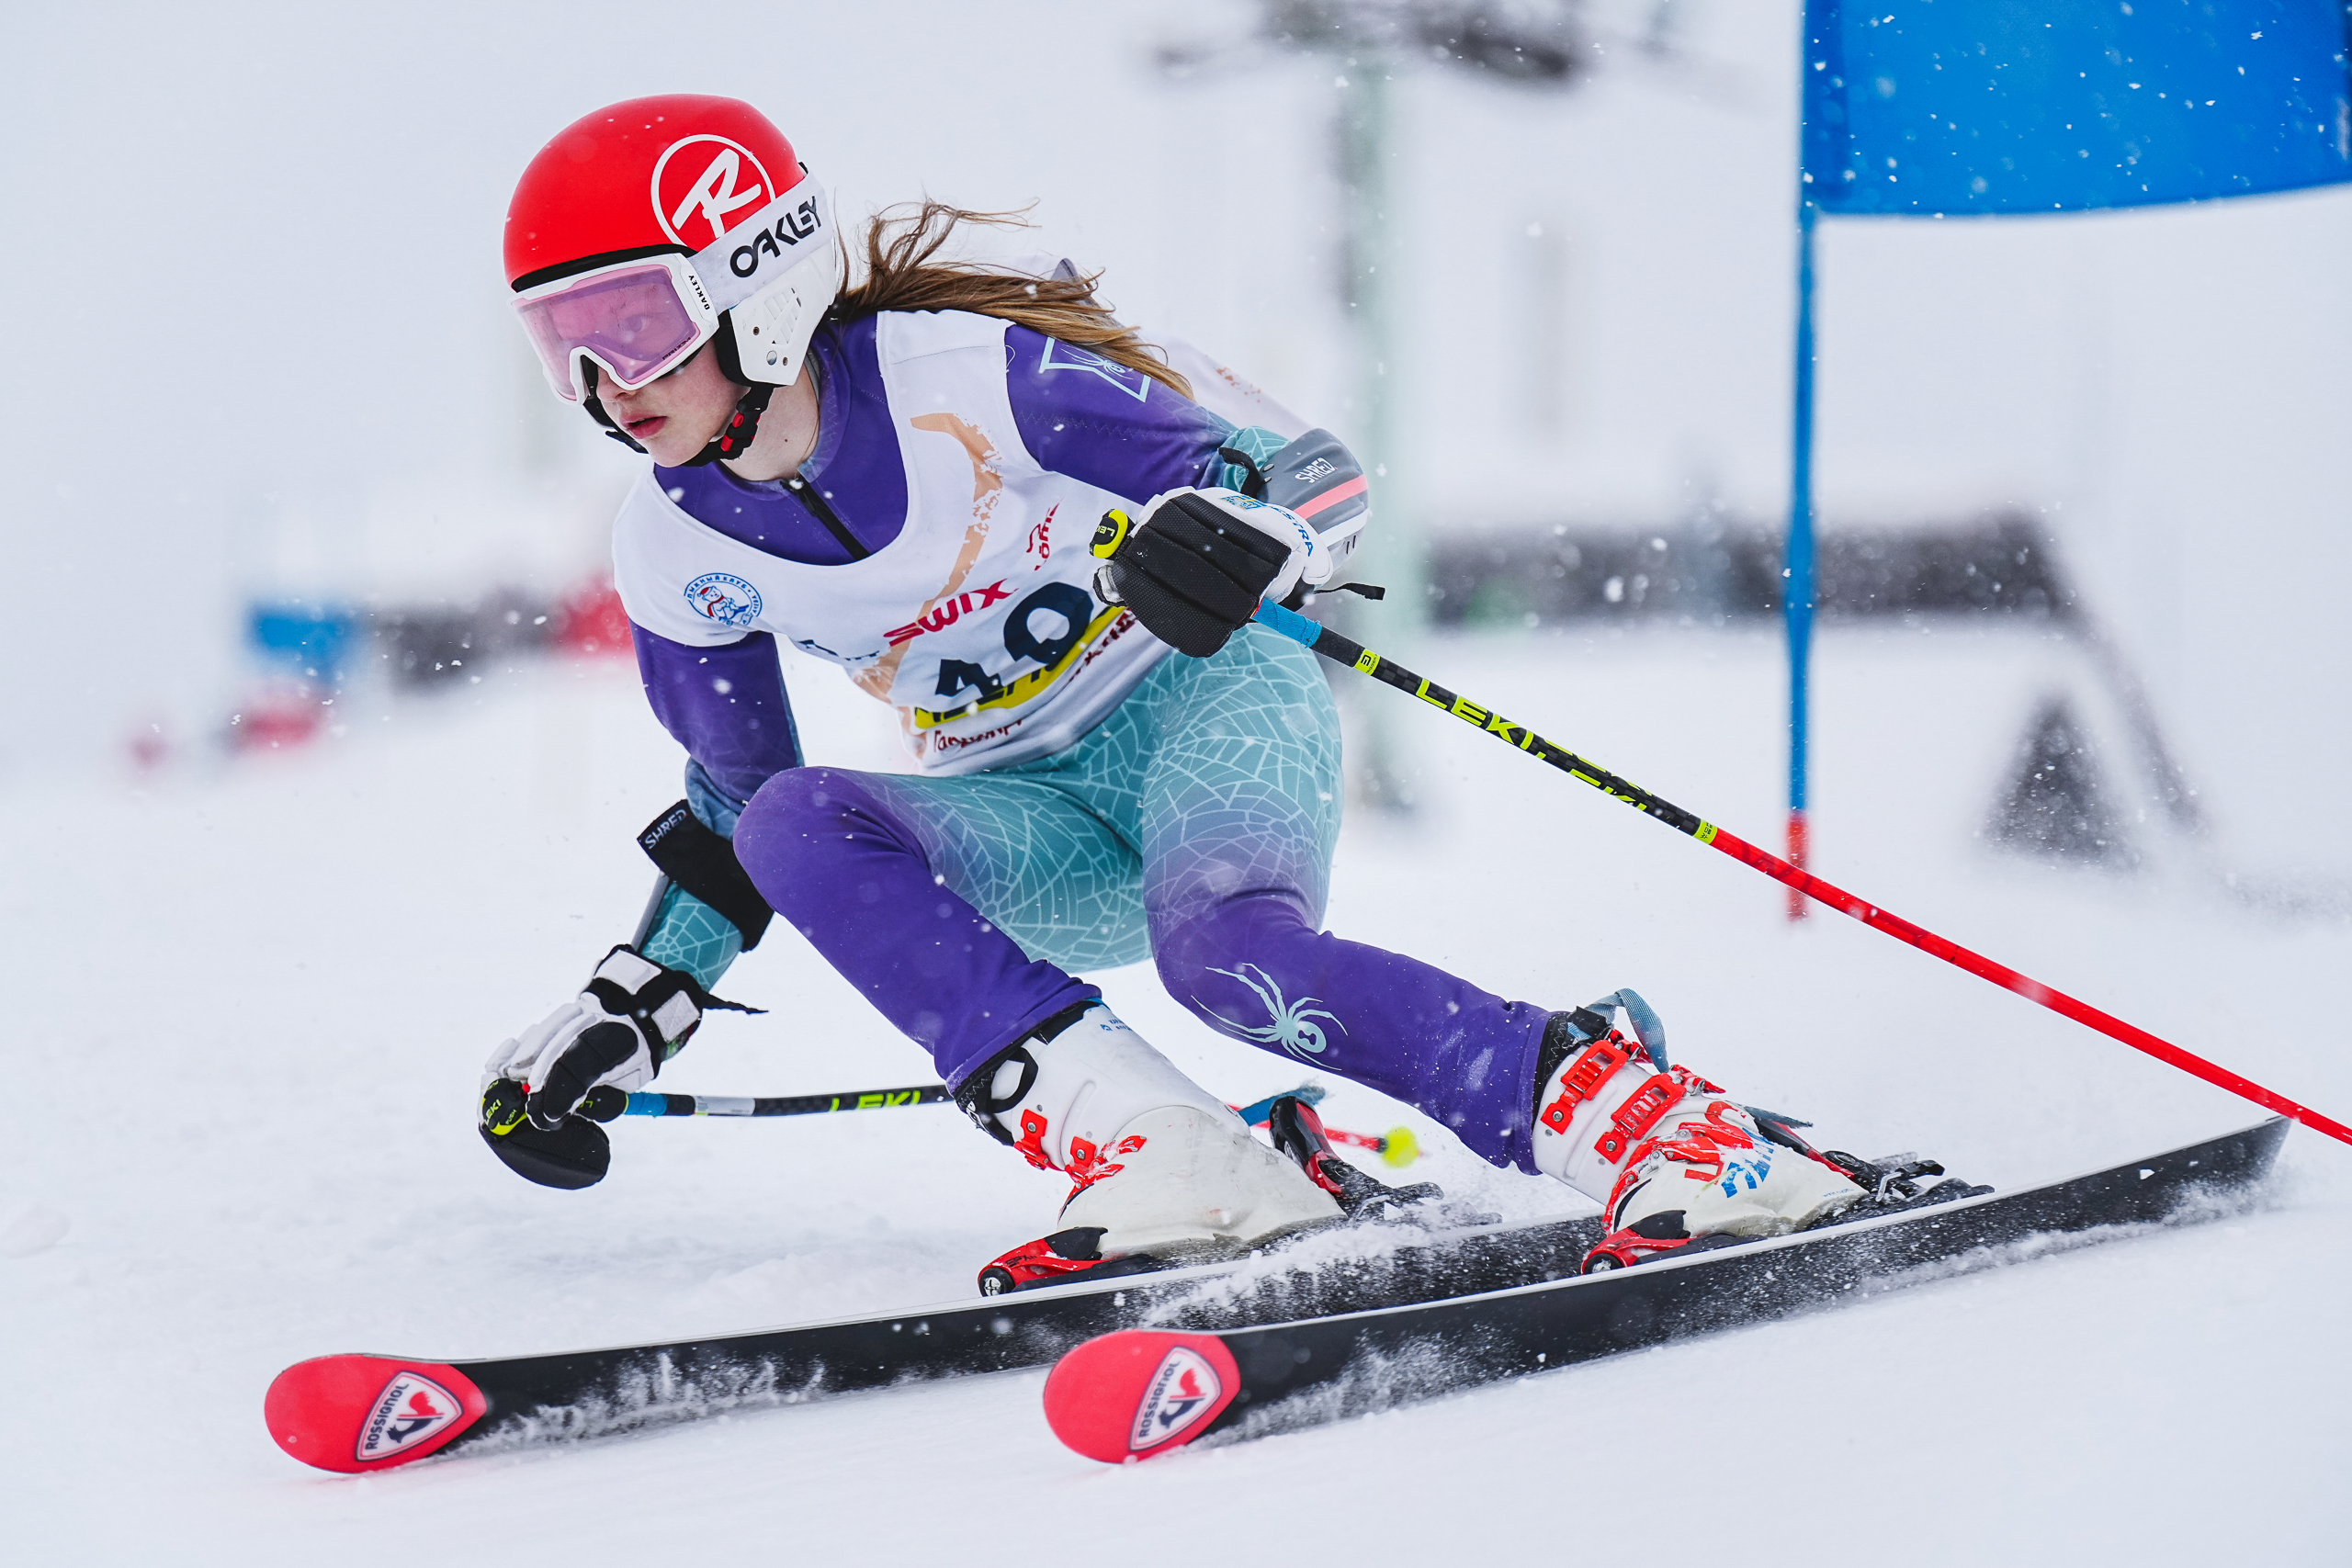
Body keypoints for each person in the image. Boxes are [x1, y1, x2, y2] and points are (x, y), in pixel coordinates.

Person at [482, 94, 1867, 1284]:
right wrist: (638, 997)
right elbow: (736, 811)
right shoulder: (674, 549)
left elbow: (1303, 470)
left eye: (633, 321)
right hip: (1030, 804)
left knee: (1226, 958)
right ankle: (1171, 1155)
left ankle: (1648, 1125)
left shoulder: (965, 376)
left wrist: (1253, 531)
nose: (607, 383)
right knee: (795, 819)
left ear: (754, 277)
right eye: (564, 345)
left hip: (1204, 701)